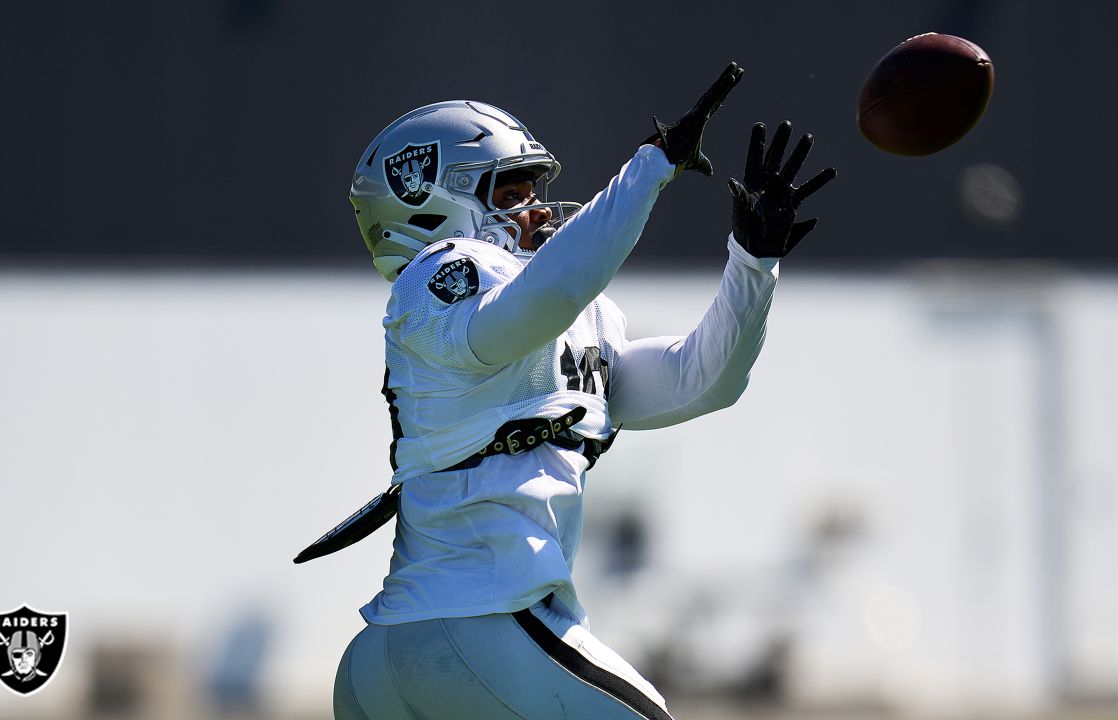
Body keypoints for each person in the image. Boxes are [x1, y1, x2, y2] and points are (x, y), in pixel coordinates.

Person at [333, 62, 836, 719]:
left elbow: (701, 380)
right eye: (511, 189)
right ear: (430, 201)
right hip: (485, 623)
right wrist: (649, 168)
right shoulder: (444, 272)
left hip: (404, 657)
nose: (537, 206)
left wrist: (753, 260)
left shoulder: (567, 313)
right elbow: (541, 302)